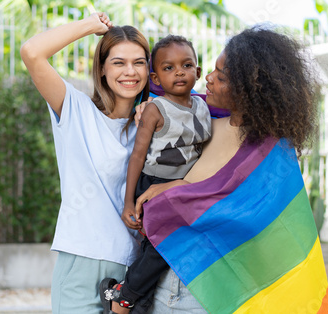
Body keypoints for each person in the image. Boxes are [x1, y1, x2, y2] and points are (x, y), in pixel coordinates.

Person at [135, 26, 328, 313]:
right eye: (212, 70)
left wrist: (179, 189)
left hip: (219, 293)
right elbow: (156, 86)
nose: (209, 79)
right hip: (168, 284)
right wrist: (148, 107)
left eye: (222, 77)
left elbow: (261, 225)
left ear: (249, 90)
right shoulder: (203, 124)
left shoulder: (272, 153)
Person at [20, 13, 151, 314]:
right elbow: (32, 52)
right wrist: (92, 26)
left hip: (133, 270)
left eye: (139, 62)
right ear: (102, 69)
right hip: (81, 262)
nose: (129, 71)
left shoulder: (152, 124)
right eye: (118, 62)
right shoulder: (75, 109)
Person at [99, 35, 212, 314]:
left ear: (198, 71)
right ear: (156, 78)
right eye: (168, 68)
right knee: (163, 247)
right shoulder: (155, 109)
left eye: (187, 65)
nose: (179, 72)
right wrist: (128, 202)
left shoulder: (203, 106)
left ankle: (134, 300)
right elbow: (137, 156)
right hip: (154, 184)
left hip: (183, 189)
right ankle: (124, 299)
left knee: (161, 247)